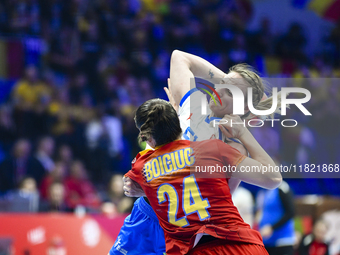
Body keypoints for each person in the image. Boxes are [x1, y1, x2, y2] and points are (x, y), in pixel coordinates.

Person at [110, 51, 282, 255]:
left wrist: (154, 187)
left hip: (181, 229)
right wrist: (234, 82)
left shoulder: (234, 145)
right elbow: (178, 57)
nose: (218, 89)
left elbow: (217, 200)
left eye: (230, 92)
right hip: (147, 213)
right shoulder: (193, 103)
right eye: (221, 84)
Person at [256, 181, 295, 255]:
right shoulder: (262, 191)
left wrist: (272, 228)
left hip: (282, 241)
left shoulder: (282, 187)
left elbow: (290, 212)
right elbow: (260, 212)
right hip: (267, 241)